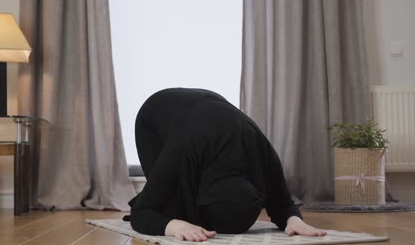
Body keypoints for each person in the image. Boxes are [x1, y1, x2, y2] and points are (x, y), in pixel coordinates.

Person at [124, 88, 326, 242]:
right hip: (155, 115)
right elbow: (142, 214)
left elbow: (283, 205)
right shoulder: (182, 152)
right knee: (172, 207)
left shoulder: (264, 156)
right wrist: (174, 226)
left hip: (209, 115)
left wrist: (294, 221)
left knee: (178, 207)